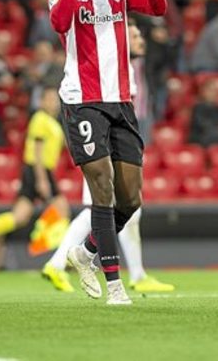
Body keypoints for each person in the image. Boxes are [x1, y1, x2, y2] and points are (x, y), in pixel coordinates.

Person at [47, 0, 167, 305]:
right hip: (82, 101)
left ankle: (86, 251)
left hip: (121, 101)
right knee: (102, 187)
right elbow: (59, 22)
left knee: (130, 200)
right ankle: (115, 286)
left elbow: (158, 7)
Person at [42, 23, 175, 294]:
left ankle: (69, 260)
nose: (140, 40)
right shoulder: (108, 71)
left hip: (116, 140)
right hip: (99, 139)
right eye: (134, 36)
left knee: (118, 207)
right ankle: (75, 265)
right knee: (100, 208)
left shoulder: (129, 70)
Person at [0, 88, 69, 256]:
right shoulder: (40, 119)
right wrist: (42, 179)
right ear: (41, 102)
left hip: (38, 171)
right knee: (62, 209)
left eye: (55, 100)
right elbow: (37, 151)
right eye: (49, 99)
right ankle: (61, 255)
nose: (54, 103)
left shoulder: (52, 122)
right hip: (39, 169)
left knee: (20, 216)